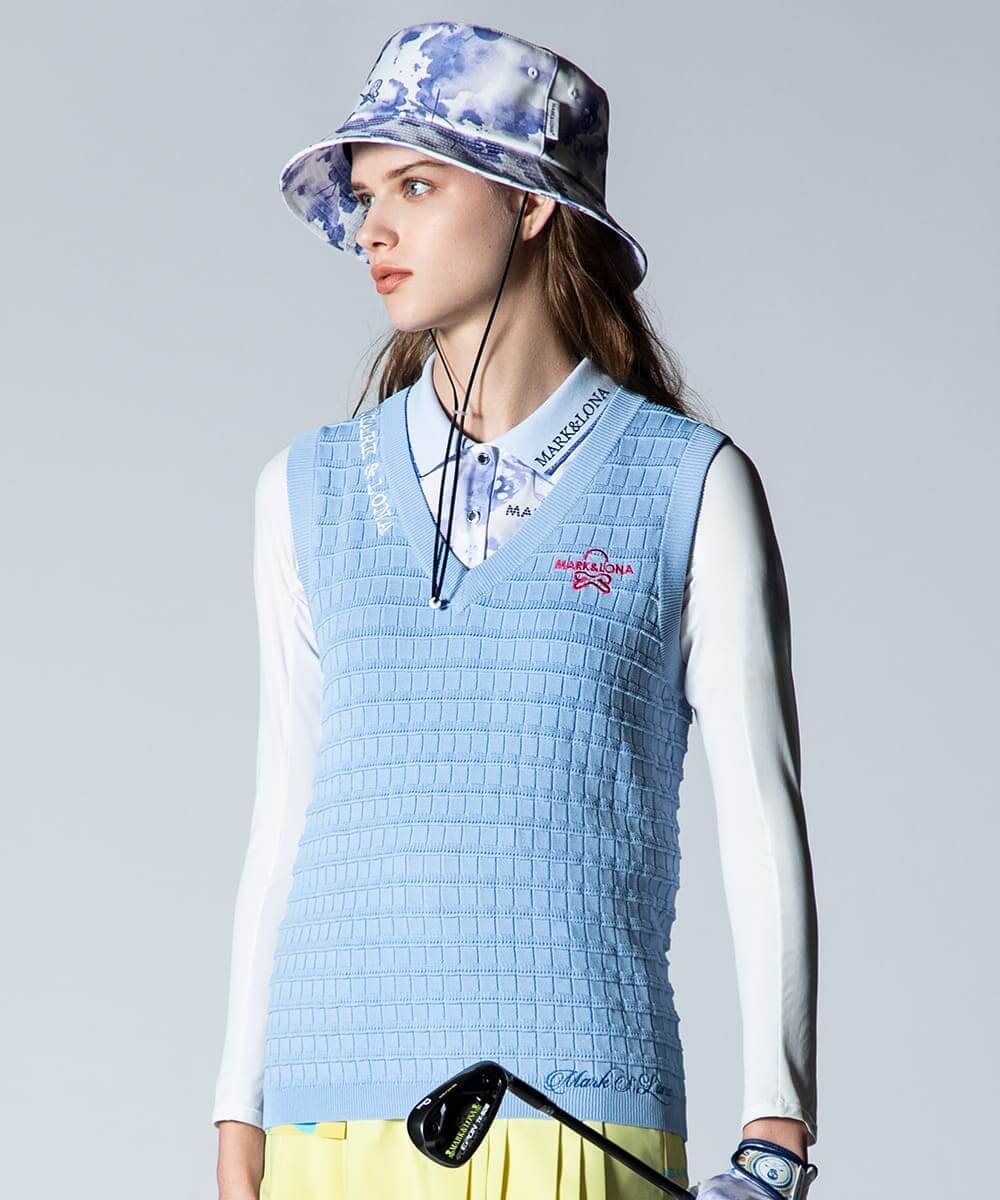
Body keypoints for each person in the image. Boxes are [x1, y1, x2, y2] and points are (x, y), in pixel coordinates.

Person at [213, 21, 819, 1200]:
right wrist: (239, 1108)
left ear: (531, 202)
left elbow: (761, 815)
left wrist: (776, 1128)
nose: (372, 230)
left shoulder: (686, 485)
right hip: (325, 1131)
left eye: (416, 187)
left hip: (573, 1118)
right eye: (367, 195)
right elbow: (285, 813)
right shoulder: (305, 491)